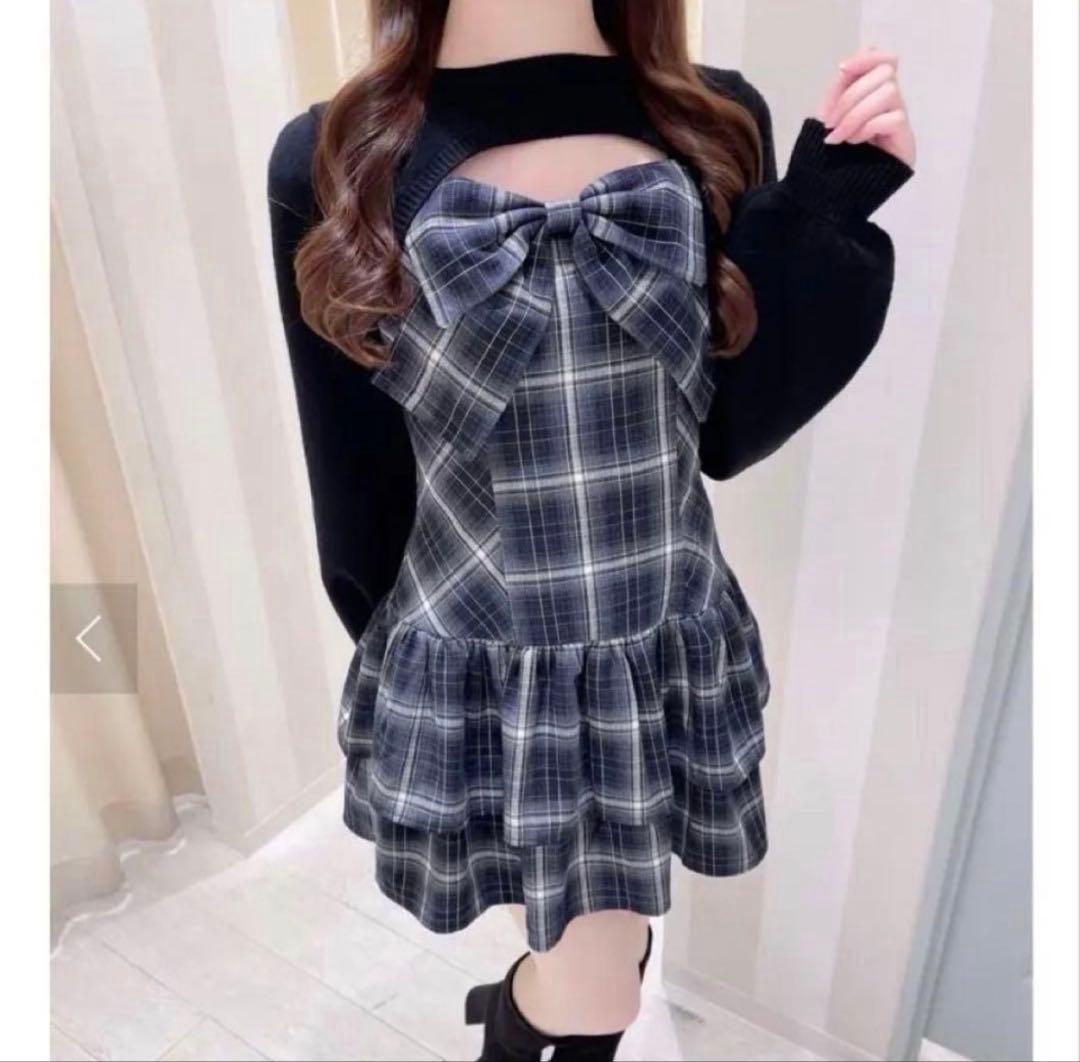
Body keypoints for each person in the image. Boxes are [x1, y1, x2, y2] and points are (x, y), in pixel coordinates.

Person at [267, 2, 916, 1058]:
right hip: (479, 651)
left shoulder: (711, 118)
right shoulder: (338, 154)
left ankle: (525, 1006)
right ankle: (523, 1011)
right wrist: (411, 693)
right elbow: (353, 469)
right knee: (593, 979)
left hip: (656, 639)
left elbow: (726, 427)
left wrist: (828, 211)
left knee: (597, 960)